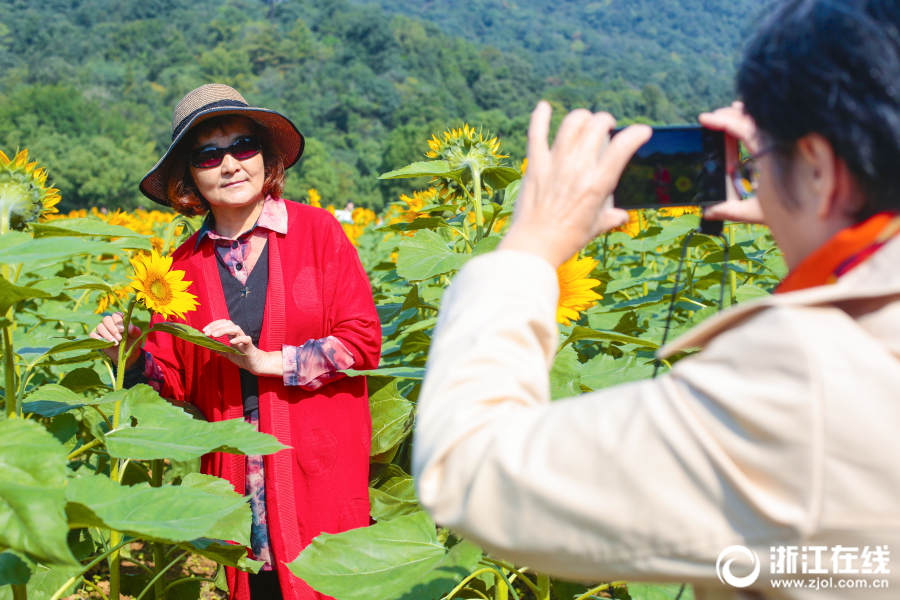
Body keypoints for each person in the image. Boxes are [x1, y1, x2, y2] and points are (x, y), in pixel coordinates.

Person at [412, 1, 900, 598]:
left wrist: (529, 248)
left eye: (766, 157)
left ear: (821, 170)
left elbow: (469, 472)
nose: (756, 173)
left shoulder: (808, 374)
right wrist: (807, 214)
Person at [90, 84, 381, 600]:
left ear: (265, 158)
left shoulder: (318, 233)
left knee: (331, 584)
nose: (229, 164)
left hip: (318, 470)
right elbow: (174, 383)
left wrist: (266, 361)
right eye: (208, 153)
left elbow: (360, 343)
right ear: (190, 176)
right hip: (239, 484)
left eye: (243, 146)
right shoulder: (179, 268)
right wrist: (129, 351)